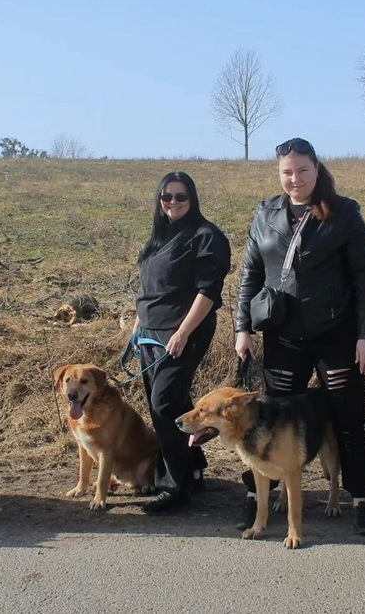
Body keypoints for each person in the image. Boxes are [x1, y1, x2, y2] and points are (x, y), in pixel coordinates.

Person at [234, 138, 365, 535]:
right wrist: (242, 328)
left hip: (337, 334)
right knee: (269, 418)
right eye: (286, 171)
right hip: (283, 336)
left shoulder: (344, 213)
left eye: (302, 170)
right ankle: (258, 496)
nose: (294, 179)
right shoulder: (265, 213)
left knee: (348, 416)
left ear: (317, 169)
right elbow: (249, 274)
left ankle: (361, 498)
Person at [134, 171, 231, 514]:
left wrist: (183, 332)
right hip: (149, 333)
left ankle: (175, 486)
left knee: (163, 404)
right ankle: (194, 466)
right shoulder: (158, 238)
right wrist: (137, 326)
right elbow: (148, 290)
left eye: (180, 197)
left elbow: (208, 291)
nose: (173, 203)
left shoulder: (206, 236)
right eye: (167, 197)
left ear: (192, 199)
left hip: (183, 331)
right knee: (171, 402)